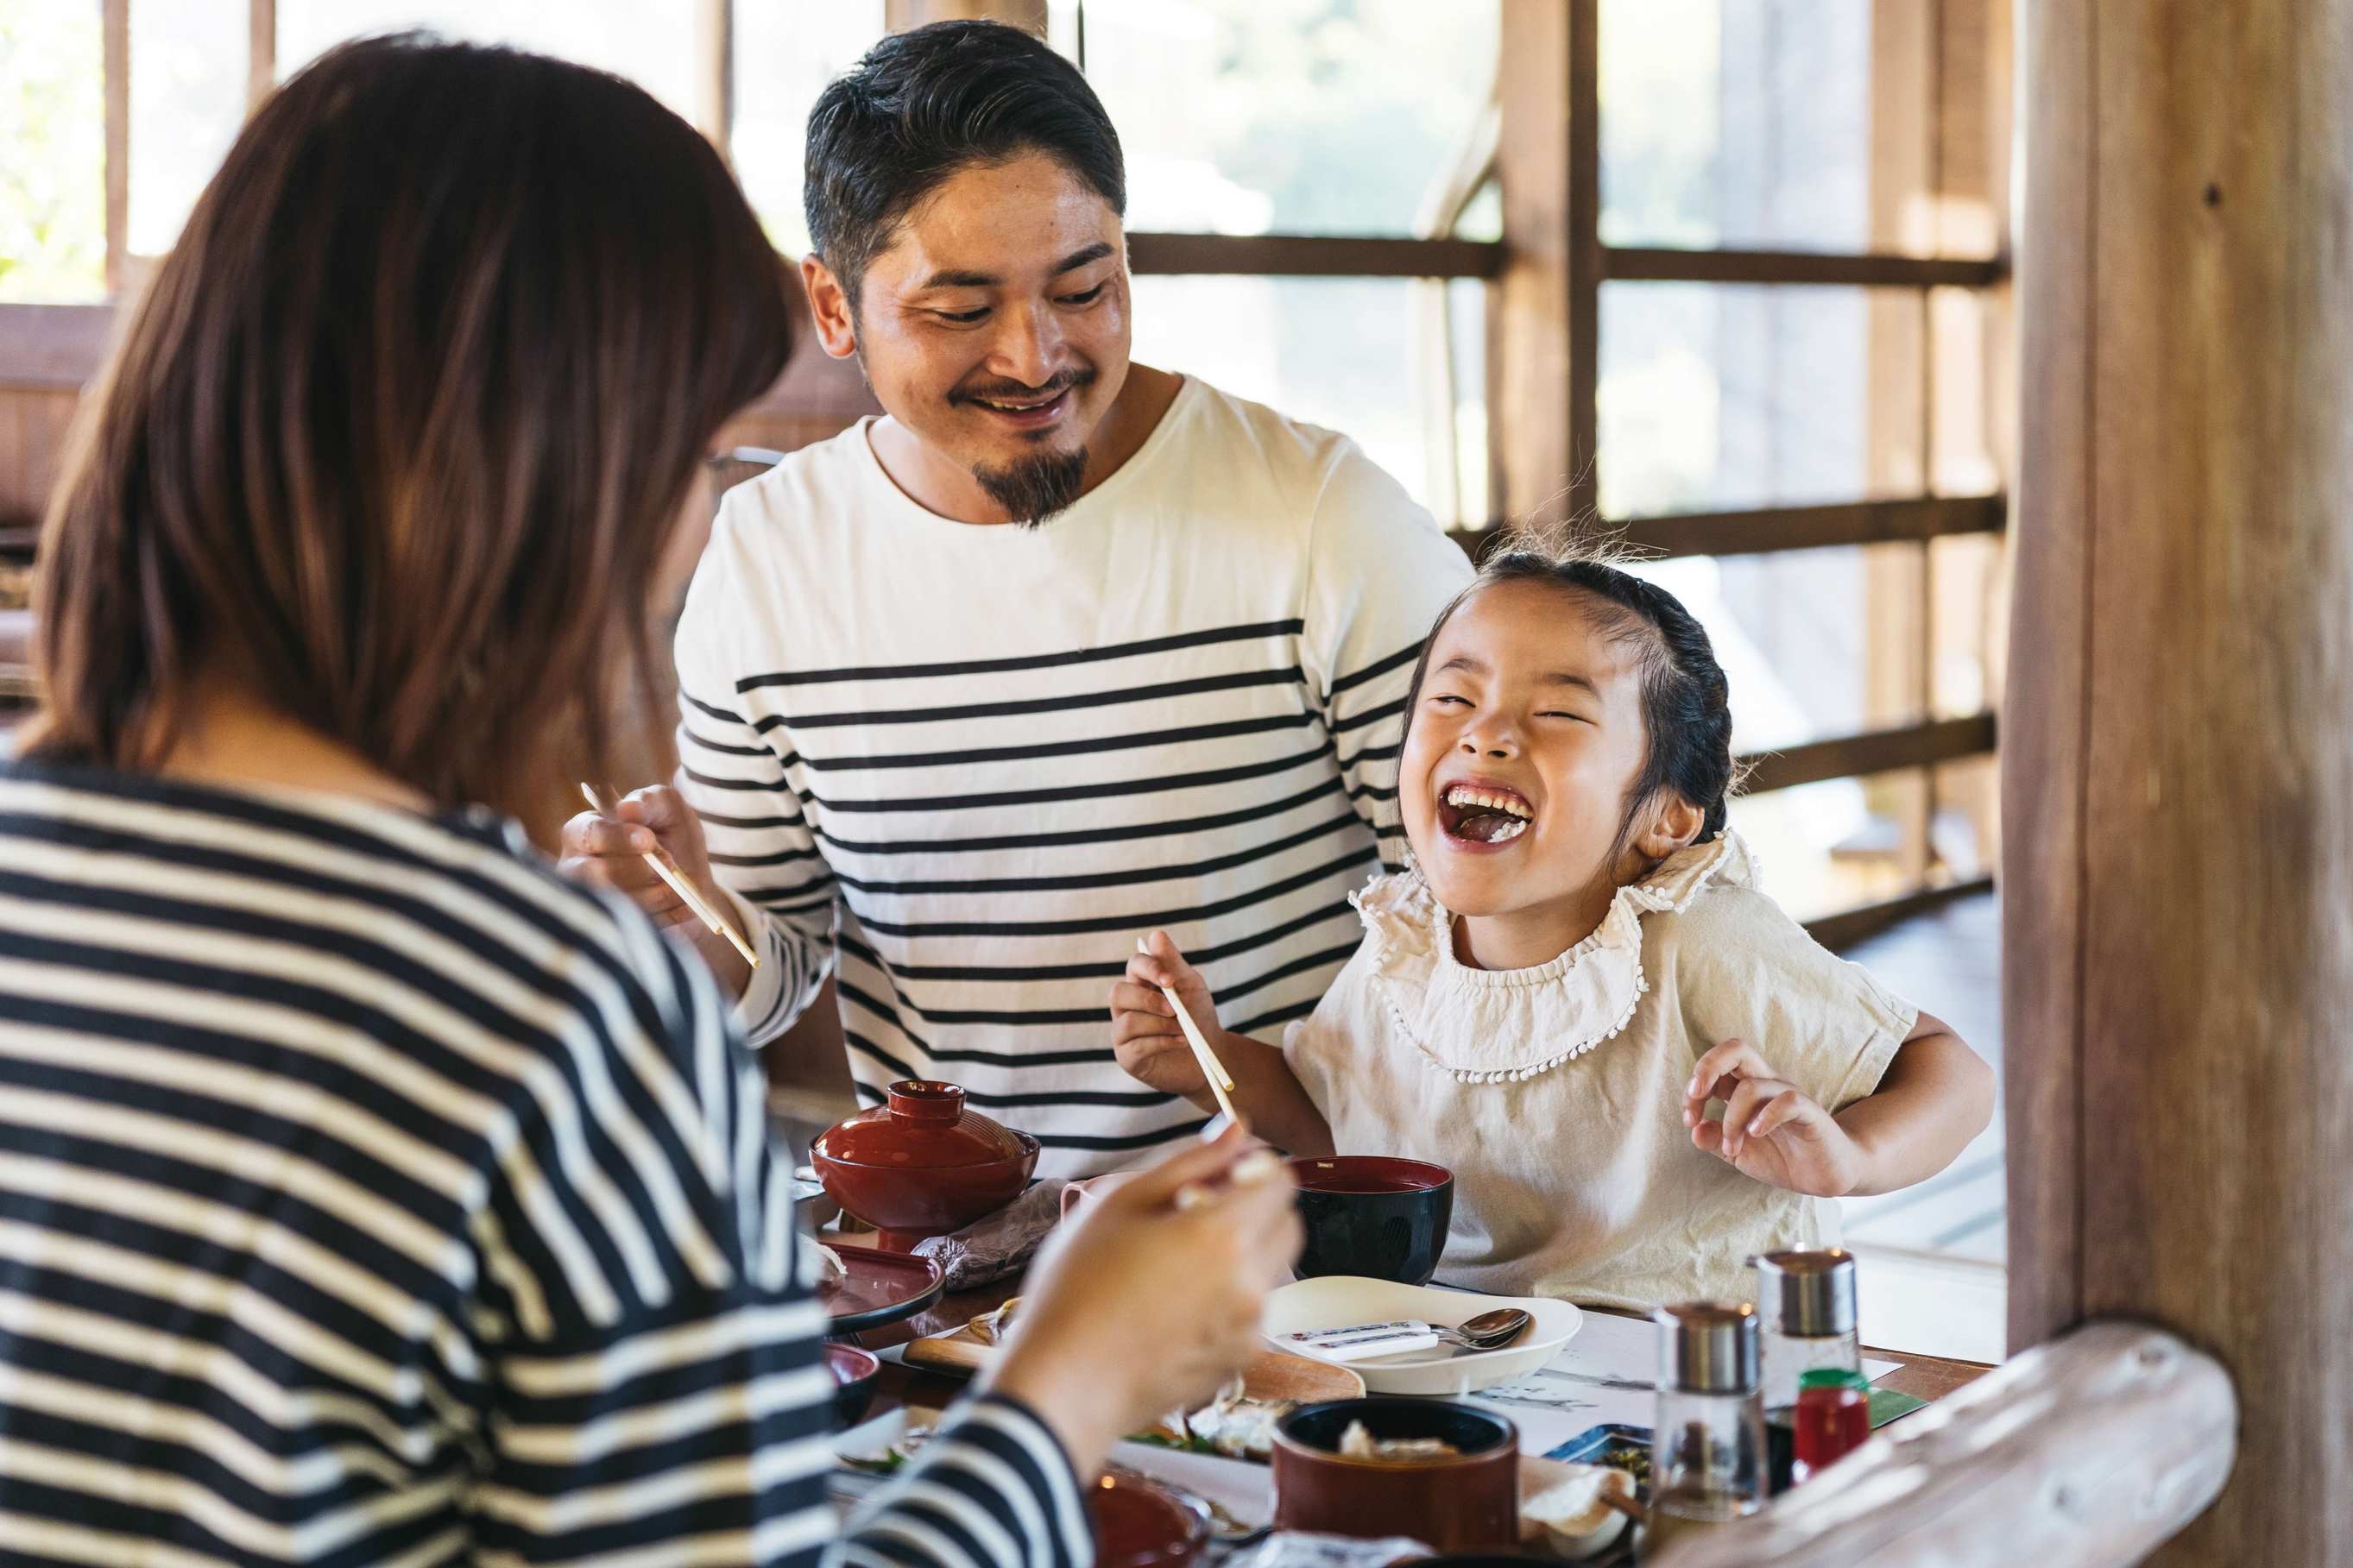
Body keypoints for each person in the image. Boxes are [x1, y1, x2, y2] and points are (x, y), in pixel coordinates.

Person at [0, 35, 1297, 1565]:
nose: (694, 516)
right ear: (542, 473)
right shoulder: (539, 1005)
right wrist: (1071, 1383)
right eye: (683, 448)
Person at [561, 20, 1474, 1179]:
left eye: (1082, 288)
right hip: (959, 1283)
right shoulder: (767, 557)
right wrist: (687, 922)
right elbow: (771, 967)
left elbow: (1497, 913)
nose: (1035, 356)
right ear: (833, 308)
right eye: (960, 310)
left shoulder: (1319, 519)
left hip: (1299, 1252)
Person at [1113, 538, 1996, 1309]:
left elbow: (1950, 1070)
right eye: (1452, 700)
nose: (1487, 734)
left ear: (1665, 818)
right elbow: (1334, 1124)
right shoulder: (1405, 944)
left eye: (1557, 713)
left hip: (1687, 1378)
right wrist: (1206, 1058)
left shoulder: (1693, 938)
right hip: (1458, 1360)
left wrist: (1848, 1156)